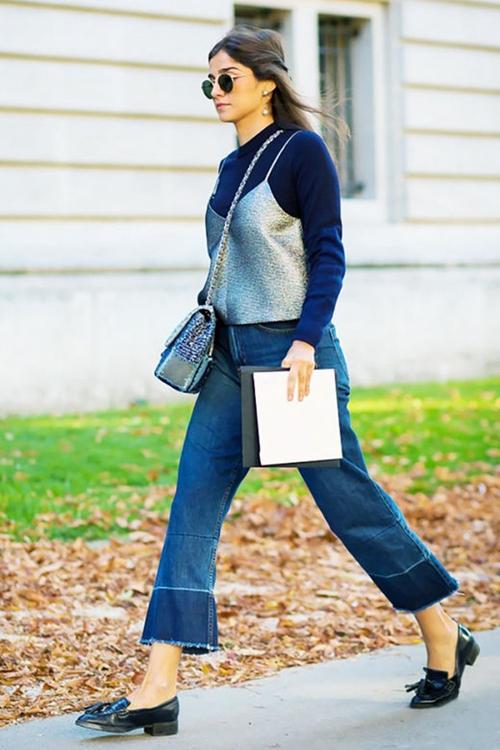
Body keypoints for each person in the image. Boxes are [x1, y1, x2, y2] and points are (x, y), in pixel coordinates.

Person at [75, 25, 480, 737]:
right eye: (209, 81)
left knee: (350, 504)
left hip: (294, 358)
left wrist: (303, 343)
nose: (216, 91)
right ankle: (158, 686)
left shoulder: (302, 152)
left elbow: (329, 254)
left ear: (266, 82)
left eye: (226, 78)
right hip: (229, 361)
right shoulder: (231, 165)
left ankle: (441, 630)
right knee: (192, 507)